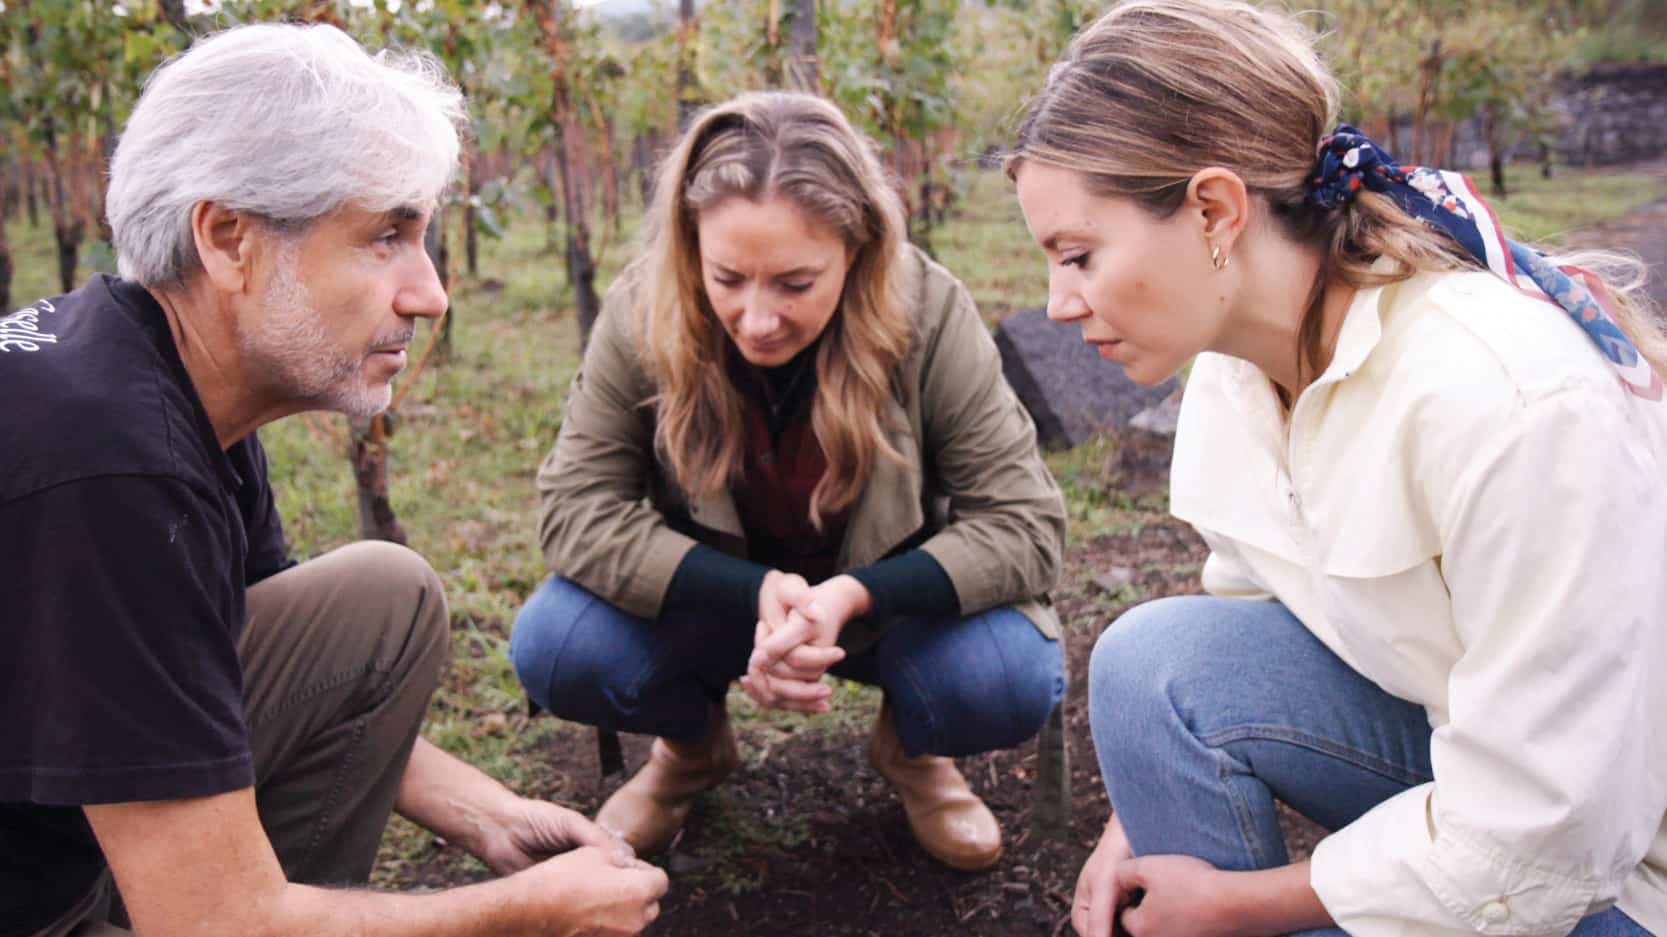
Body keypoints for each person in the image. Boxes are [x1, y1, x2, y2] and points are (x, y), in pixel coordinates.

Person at [1006, 1, 1667, 935]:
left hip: (1616, 869)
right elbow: (1250, 609)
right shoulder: (1236, 370)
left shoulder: (1506, 400)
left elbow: (1554, 835)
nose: (1056, 303)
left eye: (1077, 255)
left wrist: (1242, 905)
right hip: (1470, 759)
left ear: (1213, 210)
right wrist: (1141, 806)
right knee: (1152, 664)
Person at [0, 24, 666, 937]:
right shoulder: (112, 468)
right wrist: (526, 912)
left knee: (377, 604)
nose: (430, 292)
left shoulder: (151, 373)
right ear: (229, 237)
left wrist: (491, 815)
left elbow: (219, 671)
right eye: (385, 235)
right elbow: (214, 924)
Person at [509, 90, 1067, 873]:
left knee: (1003, 677)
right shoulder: (645, 308)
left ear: (857, 250)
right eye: (727, 277)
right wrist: (748, 591)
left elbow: (1025, 523)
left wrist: (858, 594)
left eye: (796, 283)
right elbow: (575, 506)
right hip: (717, 608)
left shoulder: (928, 311)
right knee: (560, 646)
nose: (758, 317)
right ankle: (691, 751)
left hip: (884, 612)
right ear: (688, 247)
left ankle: (914, 752)